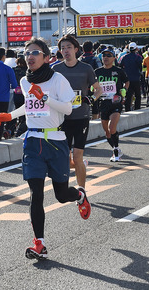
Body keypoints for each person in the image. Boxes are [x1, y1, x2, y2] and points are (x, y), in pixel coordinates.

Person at [0, 37, 91, 260]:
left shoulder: (58, 80)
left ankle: (79, 195)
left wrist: (45, 97)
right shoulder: (26, 81)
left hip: (56, 141)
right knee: (35, 193)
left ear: (47, 58)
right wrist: (11, 115)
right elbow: (29, 104)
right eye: (27, 53)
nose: (30, 56)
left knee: (61, 194)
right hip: (32, 141)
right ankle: (40, 244)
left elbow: (67, 109)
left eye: (35, 52)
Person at [52, 35, 102, 192]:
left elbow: (98, 89)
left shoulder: (86, 68)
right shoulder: (55, 69)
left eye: (68, 47)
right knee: (66, 159)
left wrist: (91, 99)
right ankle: (77, 169)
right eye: (62, 48)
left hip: (81, 117)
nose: (65, 51)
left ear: (76, 49)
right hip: (62, 119)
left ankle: (81, 191)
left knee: (77, 156)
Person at [94, 49, 129, 162]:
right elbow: (93, 85)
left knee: (111, 127)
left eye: (109, 55)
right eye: (104, 55)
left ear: (114, 58)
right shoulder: (97, 72)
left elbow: (127, 81)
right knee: (107, 132)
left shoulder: (118, 71)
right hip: (103, 103)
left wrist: (124, 90)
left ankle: (115, 151)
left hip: (115, 102)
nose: (106, 57)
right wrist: (92, 89)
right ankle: (116, 148)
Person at [119, 42, 143, 111]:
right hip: (136, 78)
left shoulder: (124, 57)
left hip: (127, 79)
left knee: (128, 96)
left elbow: (120, 66)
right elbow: (140, 68)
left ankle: (127, 109)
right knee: (138, 95)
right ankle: (137, 108)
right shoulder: (138, 57)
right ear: (135, 49)